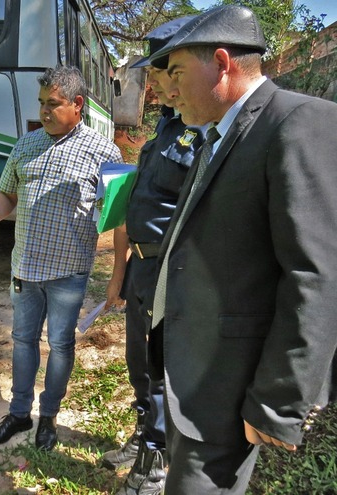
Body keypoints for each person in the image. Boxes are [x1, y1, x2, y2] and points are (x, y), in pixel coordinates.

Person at [143, 5, 337, 494]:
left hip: (231, 388)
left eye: (179, 73)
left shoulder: (297, 123)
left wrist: (278, 403)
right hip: (195, 375)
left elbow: (316, 274)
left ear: (223, 63)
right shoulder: (216, 135)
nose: (168, 90)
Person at [0, 65, 122, 451]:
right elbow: (7, 194)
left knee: (60, 346)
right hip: (25, 269)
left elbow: (119, 216)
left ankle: (48, 418)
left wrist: (118, 275)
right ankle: (18, 414)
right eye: (42, 103)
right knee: (23, 340)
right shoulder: (25, 146)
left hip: (69, 273)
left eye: (54, 104)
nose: (45, 111)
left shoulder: (104, 152)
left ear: (77, 104)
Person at [99, 17, 204, 495]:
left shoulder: (203, 133)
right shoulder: (164, 128)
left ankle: (155, 465)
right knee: (138, 363)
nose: (152, 84)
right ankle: (143, 436)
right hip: (142, 266)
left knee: (161, 369)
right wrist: (119, 273)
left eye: (159, 73)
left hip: (169, 269)